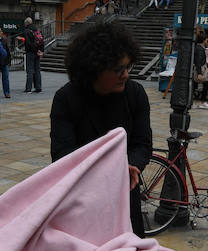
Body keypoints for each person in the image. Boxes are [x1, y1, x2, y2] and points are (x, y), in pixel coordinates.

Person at [50, 21, 153, 238]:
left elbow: (142, 145)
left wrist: (130, 165)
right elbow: (63, 154)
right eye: (118, 70)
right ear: (95, 68)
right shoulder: (66, 99)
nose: (125, 74)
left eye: (128, 67)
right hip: (81, 201)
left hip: (124, 197)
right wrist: (113, 170)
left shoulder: (135, 95)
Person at [22, 17, 43, 93]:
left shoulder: (27, 30)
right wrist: (40, 51)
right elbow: (41, 40)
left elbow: (28, 43)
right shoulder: (37, 30)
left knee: (30, 70)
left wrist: (31, 50)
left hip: (30, 52)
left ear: (27, 23)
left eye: (25, 23)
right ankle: (38, 87)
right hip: (37, 52)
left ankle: (28, 88)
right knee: (37, 70)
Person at [194, 32, 208, 109]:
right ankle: (202, 102)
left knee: (196, 85)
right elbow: (198, 61)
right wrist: (199, 73)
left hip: (201, 68)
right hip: (201, 68)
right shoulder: (200, 49)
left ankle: (197, 102)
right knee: (204, 84)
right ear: (203, 40)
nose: (207, 40)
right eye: (206, 39)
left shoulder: (200, 48)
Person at [0, 25, 11, 98]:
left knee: (5, 78)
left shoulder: (3, 39)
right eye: (0, 31)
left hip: (4, 62)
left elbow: (7, 51)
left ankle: (7, 92)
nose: (2, 32)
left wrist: (9, 61)